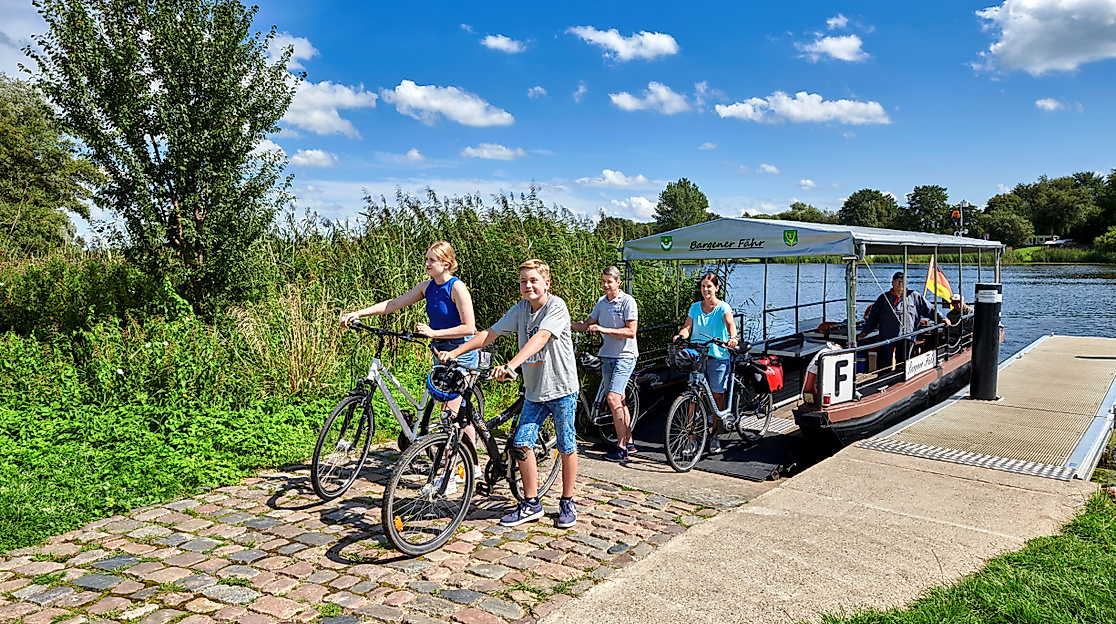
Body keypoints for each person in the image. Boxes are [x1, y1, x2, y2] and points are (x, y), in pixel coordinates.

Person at [438, 259, 581, 529]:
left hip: (561, 389)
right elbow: (489, 334)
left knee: (566, 445)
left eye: (534, 280)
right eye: (523, 281)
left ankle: (567, 500)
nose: (528, 285)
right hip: (534, 391)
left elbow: (540, 337)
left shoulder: (556, 307)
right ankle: (531, 503)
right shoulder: (520, 309)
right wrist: (456, 352)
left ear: (547, 283)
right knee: (521, 444)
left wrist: (511, 366)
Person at [339, 241, 479, 440]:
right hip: (440, 351)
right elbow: (393, 304)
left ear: (446, 264)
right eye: (426, 259)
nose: (427, 264)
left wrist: (433, 333)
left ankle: (463, 458)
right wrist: (359, 313)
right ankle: (460, 453)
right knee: (450, 411)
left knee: (450, 413)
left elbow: (469, 328)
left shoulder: (457, 287)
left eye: (432, 260)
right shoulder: (427, 287)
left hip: (461, 351)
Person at [571, 266, 639, 462]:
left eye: (609, 281)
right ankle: (629, 442)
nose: (606, 285)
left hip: (625, 356)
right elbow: (587, 324)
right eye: (603, 281)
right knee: (620, 399)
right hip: (607, 356)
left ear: (618, 282)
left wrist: (603, 329)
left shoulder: (627, 301)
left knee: (612, 398)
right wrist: (565, 325)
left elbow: (631, 332)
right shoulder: (601, 302)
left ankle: (621, 448)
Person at [672, 272, 739, 455]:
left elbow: (730, 324)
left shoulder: (723, 307)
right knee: (695, 397)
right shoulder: (695, 307)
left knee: (717, 396)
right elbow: (687, 327)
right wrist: (681, 336)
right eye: (703, 286)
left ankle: (715, 434)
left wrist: (733, 338)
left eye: (709, 286)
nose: (705, 289)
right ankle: (692, 438)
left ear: (716, 288)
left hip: (717, 356)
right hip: (697, 356)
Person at [857, 271, 948, 370]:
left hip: (907, 336)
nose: (900, 283)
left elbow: (929, 309)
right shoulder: (883, 299)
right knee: (883, 365)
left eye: (903, 281)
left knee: (903, 366)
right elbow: (873, 317)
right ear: (892, 283)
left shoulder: (914, 296)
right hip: (887, 337)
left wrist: (942, 318)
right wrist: (865, 332)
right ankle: (883, 377)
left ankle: (901, 377)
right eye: (898, 281)